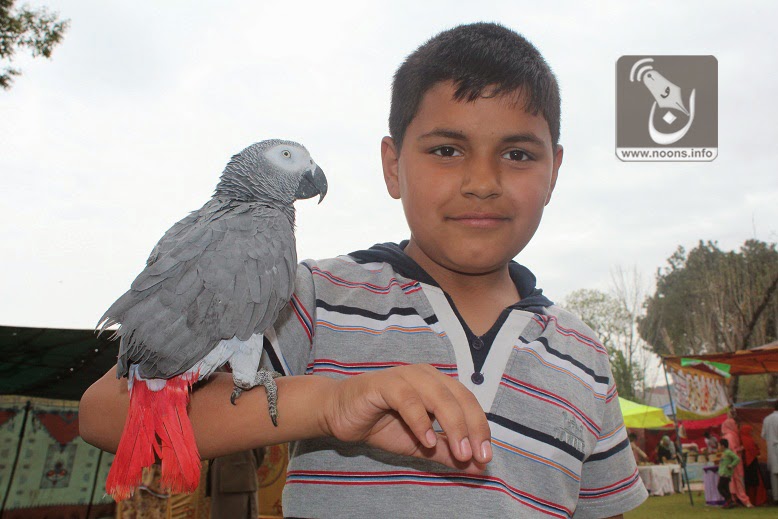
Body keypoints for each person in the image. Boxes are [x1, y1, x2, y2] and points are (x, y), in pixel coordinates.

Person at [79, 22, 648, 518]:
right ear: (392, 167)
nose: (482, 180)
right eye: (447, 150)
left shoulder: (585, 357)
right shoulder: (312, 300)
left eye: (518, 154)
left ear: (555, 171)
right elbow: (103, 413)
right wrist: (329, 404)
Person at [721, 413, 754, 508]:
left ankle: (735, 500)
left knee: (733, 482)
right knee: (738, 482)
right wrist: (741, 449)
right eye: (735, 424)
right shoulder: (730, 436)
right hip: (734, 463)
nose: (736, 426)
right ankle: (745, 501)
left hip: (731, 462)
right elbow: (732, 451)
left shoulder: (731, 435)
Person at [740, 424, 768, 506]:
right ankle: (759, 500)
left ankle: (751, 500)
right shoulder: (749, 440)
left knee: (749, 484)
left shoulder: (742, 439)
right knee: (757, 483)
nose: (751, 432)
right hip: (753, 464)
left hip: (746, 464)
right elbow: (755, 451)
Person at [762, 400, 778, 503]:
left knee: (774, 475)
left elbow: (763, 435)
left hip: (772, 449)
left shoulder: (767, 419)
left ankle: (776, 498)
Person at [717, 438, 740, 509]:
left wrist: (732, 465)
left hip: (726, 473)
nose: (719, 447)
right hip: (723, 472)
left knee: (720, 487)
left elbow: (737, 458)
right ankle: (730, 502)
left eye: (719, 445)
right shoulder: (724, 453)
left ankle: (729, 500)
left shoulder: (728, 452)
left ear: (723, 446)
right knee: (726, 488)